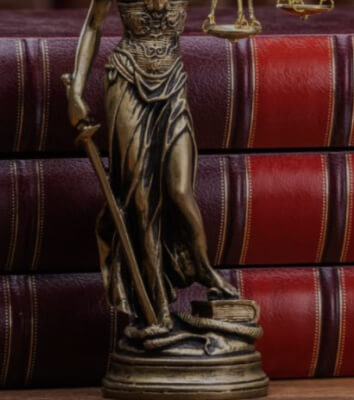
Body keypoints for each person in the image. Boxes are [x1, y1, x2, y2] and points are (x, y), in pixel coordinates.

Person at [65, 0, 238, 333]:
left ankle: (203, 268)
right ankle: (155, 305)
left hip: (172, 84)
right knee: (139, 200)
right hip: (126, 80)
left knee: (180, 191)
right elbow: (92, 26)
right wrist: (75, 89)